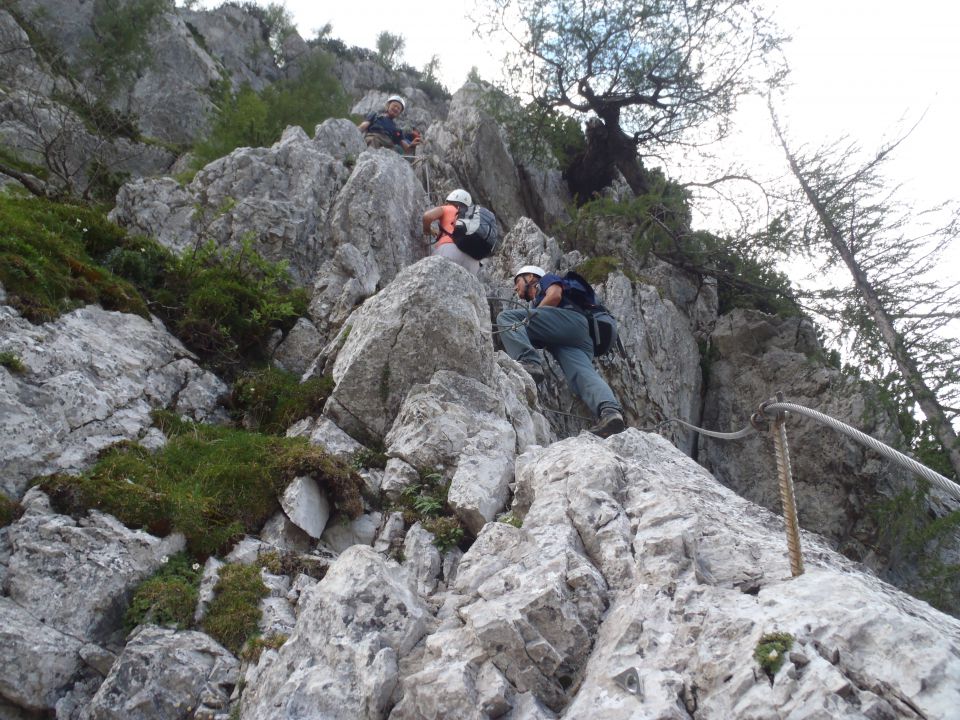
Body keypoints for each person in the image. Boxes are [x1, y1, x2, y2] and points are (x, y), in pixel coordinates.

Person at [497, 265, 626, 437]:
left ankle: (529, 362)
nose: (515, 287)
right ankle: (610, 411)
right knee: (582, 375)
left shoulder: (545, 280)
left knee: (507, 318)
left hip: (571, 322)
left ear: (530, 276)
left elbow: (555, 295)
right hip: (579, 339)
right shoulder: (540, 302)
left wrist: (532, 316)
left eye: (517, 281)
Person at [421, 189, 480, 274]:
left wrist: (427, 230)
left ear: (450, 200)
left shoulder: (448, 208)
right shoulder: (472, 217)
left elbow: (427, 217)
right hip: (474, 260)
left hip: (450, 250)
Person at [357, 95, 421, 153]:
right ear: (388, 106)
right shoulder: (375, 116)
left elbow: (406, 149)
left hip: (388, 146)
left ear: (399, 113)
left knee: (394, 151)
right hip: (373, 139)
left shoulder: (397, 130)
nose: (396, 109)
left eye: (399, 109)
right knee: (373, 141)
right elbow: (362, 127)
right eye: (394, 105)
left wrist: (412, 145)